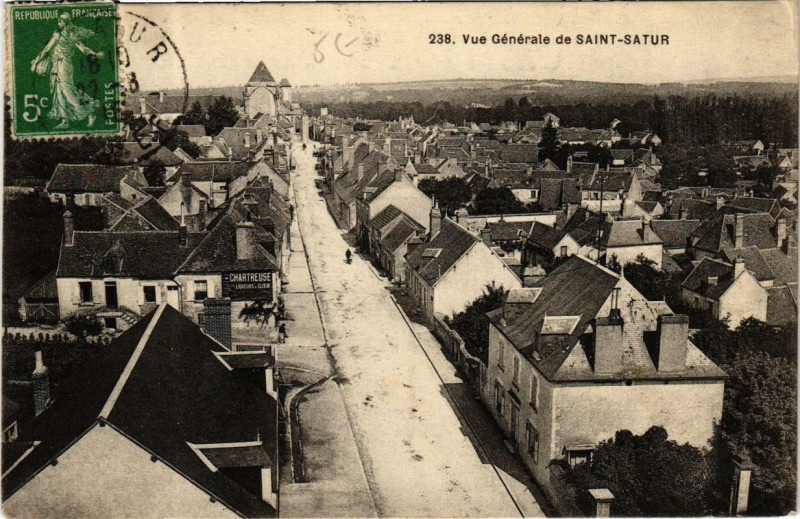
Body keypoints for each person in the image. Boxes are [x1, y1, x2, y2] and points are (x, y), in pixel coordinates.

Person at [30, 13, 103, 130]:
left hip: (64, 64)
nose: (58, 23)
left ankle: (89, 109)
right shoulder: (63, 34)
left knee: (67, 90)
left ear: (65, 22)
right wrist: (95, 54)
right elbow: (48, 49)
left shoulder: (64, 35)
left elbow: (47, 49)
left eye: (60, 21)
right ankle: (65, 120)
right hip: (56, 64)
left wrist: (35, 63)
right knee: (58, 91)